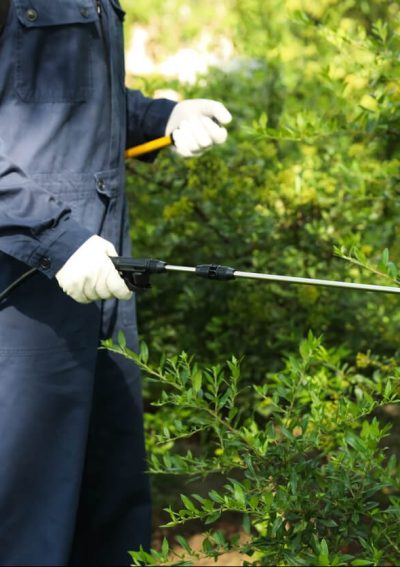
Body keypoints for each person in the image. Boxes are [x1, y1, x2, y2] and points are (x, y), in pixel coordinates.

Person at [0, 1, 232, 565]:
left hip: (100, 277)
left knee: (109, 512)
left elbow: (67, 109)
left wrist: (160, 119)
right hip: (21, 294)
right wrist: (53, 237)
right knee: (27, 520)